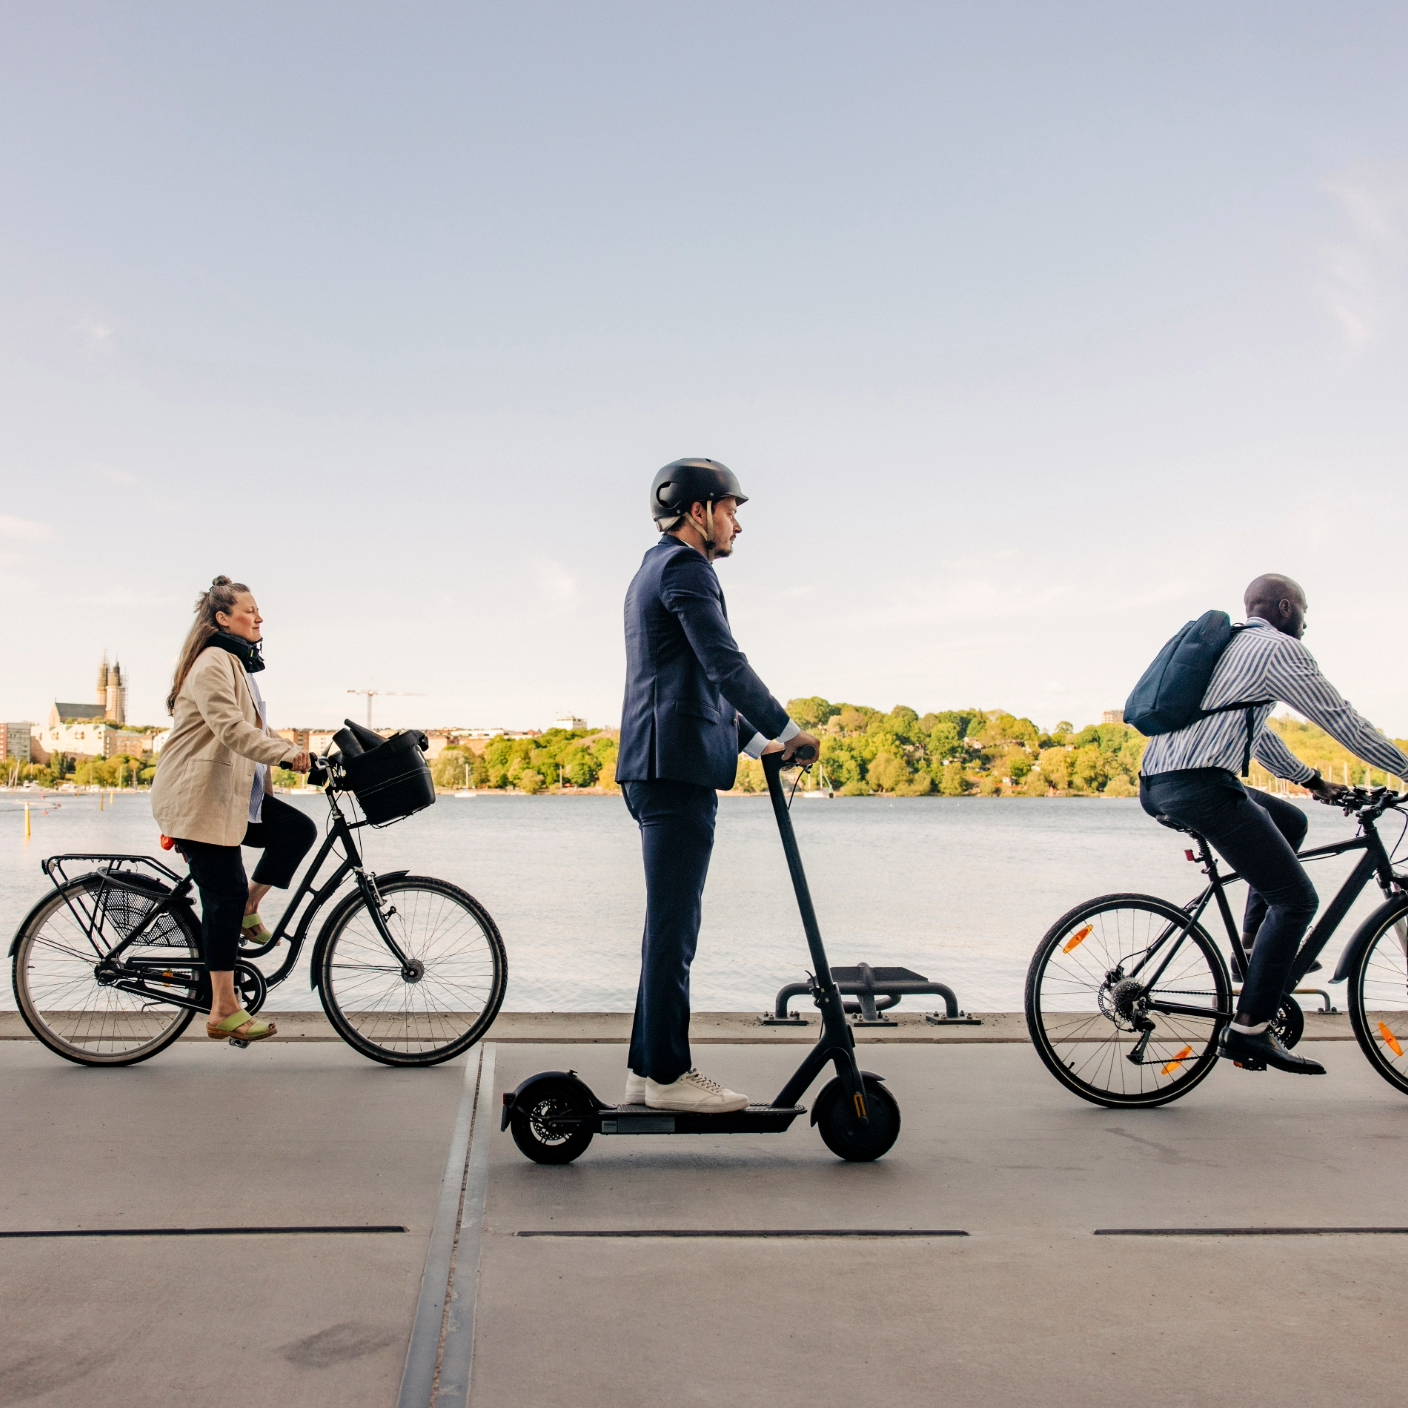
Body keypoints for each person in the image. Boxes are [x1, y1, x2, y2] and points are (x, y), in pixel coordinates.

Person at [1140, 573, 1408, 1075]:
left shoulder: (1227, 647)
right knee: (1297, 900)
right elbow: (1341, 720)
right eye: (1304, 612)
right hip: (1202, 786)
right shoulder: (1279, 649)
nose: (1306, 624)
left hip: (1158, 783)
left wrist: (1314, 781)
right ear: (1286, 608)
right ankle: (1250, 1030)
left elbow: (1255, 737)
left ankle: (1250, 947)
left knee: (1289, 820)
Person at [616, 459, 820, 1112]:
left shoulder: (653, 569)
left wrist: (762, 745)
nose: (737, 524)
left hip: (660, 766)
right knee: (675, 930)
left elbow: (695, 683)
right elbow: (725, 664)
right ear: (699, 511)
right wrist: (789, 728)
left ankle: (648, 1071)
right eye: (731, 509)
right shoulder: (685, 568)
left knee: (669, 926)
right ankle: (669, 1076)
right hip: (674, 771)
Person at [152, 577, 316, 1044]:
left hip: (231, 798)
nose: (259, 617)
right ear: (223, 619)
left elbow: (252, 729)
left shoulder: (237, 664)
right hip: (198, 800)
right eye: (250, 610)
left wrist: (308, 756)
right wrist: (287, 754)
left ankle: (250, 904)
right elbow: (231, 729)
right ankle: (223, 1008)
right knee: (221, 897)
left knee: (296, 830)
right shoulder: (212, 663)